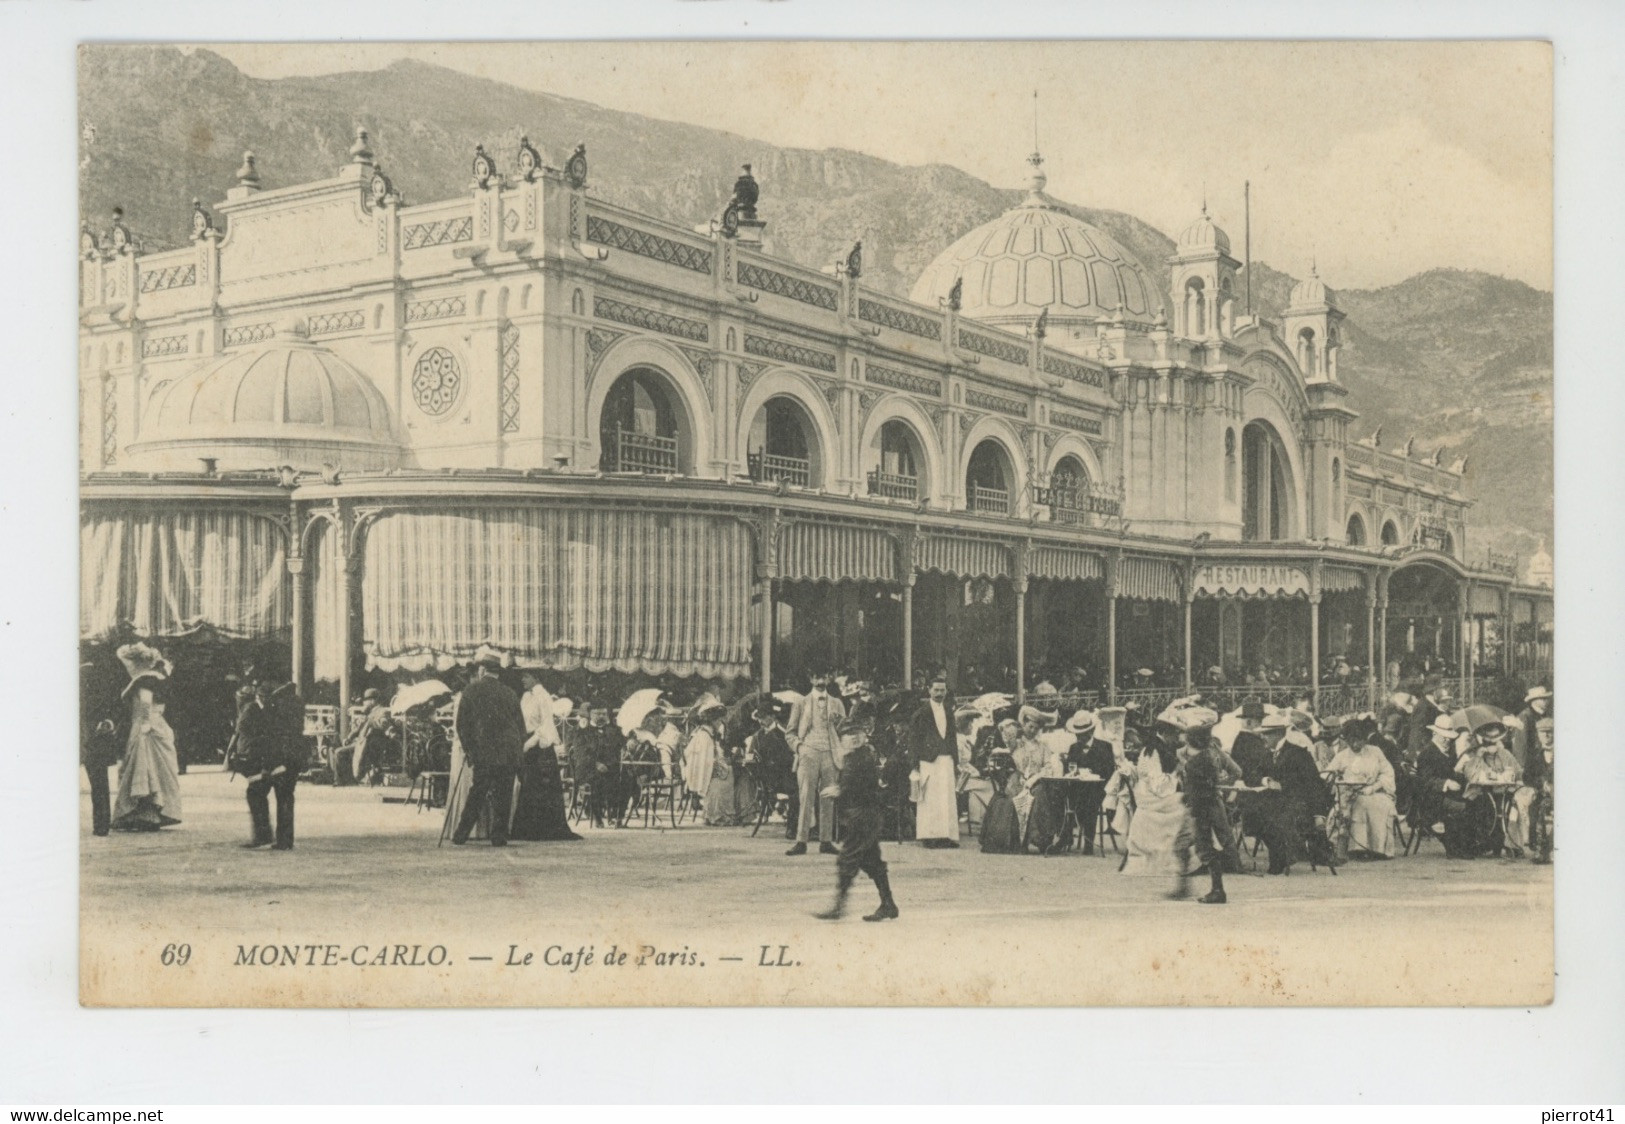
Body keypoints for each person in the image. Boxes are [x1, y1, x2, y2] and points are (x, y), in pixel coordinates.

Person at [814, 717, 899, 922]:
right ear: (841, 739)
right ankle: (888, 904)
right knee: (872, 862)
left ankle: (838, 908)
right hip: (863, 816)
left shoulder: (863, 757)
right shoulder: (855, 756)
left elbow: (861, 786)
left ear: (864, 736)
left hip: (864, 816)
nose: (853, 738)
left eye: (857, 734)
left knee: (848, 858)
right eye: (848, 735)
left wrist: (839, 790)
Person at [1169, 703, 1242, 904]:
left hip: (1199, 807)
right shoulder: (1209, 755)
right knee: (1198, 845)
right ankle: (1208, 888)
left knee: (1201, 847)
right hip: (1205, 805)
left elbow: (1196, 786)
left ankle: (1215, 890)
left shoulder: (1194, 760)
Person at [450, 655, 525, 847]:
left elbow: (462, 726)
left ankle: (461, 834)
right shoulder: (510, 693)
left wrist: (470, 750)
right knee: (503, 794)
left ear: (482, 670)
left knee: (478, 792)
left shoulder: (471, 691)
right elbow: (521, 727)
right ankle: (498, 836)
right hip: (508, 752)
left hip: (484, 752)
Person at [111, 642, 183, 832]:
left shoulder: (144, 680)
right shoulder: (159, 677)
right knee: (153, 769)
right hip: (157, 723)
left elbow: (145, 703)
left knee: (143, 767)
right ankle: (150, 813)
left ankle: (143, 814)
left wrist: (144, 725)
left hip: (146, 726)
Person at [1253, 711, 1333, 874]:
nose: (1263, 738)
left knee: (1271, 816)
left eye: (1265, 735)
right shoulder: (1267, 754)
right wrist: (1266, 781)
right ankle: (1281, 856)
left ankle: (1283, 857)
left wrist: (1319, 814)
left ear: (1277, 734)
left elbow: (1313, 784)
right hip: (1275, 803)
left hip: (1299, 805)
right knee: (1252, 815)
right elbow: (1254, 774)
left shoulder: (1298, 754)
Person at [238, 669, 306, 850]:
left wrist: (266, 764)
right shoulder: (295, 700)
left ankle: (262, 835)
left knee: (255, 792)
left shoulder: (274, 703)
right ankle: (285, 840)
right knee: (285, 796)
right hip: (294, 755)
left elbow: (271, 735)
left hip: (277, 757)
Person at [510, 688, 582, 843]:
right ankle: (526, 827)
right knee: (528, 784)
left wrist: (531, 742)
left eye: (527, 676)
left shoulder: (543, 696)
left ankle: (542, 828)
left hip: (541, 745)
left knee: (540, 783)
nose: (523, 679)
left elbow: (547, 723)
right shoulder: (525, 696)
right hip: (528, 742)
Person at [1326, 716, 1399, 859]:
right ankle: (1355, 848)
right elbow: (1327, 776)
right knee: (1354, 805)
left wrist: (1373, 787)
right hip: (1349, 794)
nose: (1354, 744)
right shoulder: (1342, 756)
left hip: (1376, 792)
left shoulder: (1375, 752)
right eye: (1350, 740)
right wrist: (1337, 779)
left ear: (1364, 739)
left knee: (1370, 804)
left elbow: (1388, 774)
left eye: (1358, 740)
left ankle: (1377, 849)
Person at [787, 671, 844, 856]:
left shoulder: (837, 703)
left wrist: (838, 724)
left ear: (829, 679)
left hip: (830, 752)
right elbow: (790, 732)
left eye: (824, 676)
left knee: (828, 795)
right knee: (806, 796)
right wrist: (799, 747)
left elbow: (845, 730)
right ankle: (801, 841)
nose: (820, 680)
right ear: (811, 679)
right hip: (808, 752)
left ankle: (825, 841)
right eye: (817, 677)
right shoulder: (801, 702)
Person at [1454, 712, 1524, 857]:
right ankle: (1484, 843)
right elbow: (1472, 776)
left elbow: (1517, 771)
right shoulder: (1472, 754)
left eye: (1495, 742)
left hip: (1502, 791)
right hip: (1478, 792)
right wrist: (1479, 756)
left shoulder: (1504, 754)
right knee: (1483, 804)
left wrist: (1512, 779)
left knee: (1512, 805)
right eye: (1488, 742)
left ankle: (1510, 843)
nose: (1492, 745)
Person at [908, 673, 960, 849]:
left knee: (946, 798)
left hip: (947, 759)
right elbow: (914, 741)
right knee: (929, 799)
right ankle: (929, 836)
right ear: (929, 690)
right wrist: (914, 766)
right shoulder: (920, 713)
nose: (939, 693)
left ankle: (946, 835)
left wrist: (956, 760)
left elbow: (952, 737)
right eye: (936, 690)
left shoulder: (949, 711)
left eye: (942, 690)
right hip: (928, 760)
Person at [745, 698, 797, 835]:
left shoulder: (778, 734)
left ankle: (801, 826)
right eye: (760, 718)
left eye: (764, 718)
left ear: (773, 717)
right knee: (797, 789)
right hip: (773, 779)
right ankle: (793, 828)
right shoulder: (762, 736)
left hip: (775, 776)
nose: (761, 721)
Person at [954, 705, 995, 834]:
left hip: (967, 774)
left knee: (986, 783)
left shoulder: (964, 740)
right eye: (970, 723)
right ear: (965, 725)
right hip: (961, 778)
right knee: (989, 786)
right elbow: (958, 763)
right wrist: (973, 773)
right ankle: (985, 818)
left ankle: (978, 818)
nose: (972, 726)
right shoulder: (958, 741)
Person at [1526, 715, 1554, 864]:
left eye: (1550, 732)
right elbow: (1527, 777)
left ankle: (1551, 849)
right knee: (1534, 808)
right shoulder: (1535, 756)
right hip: (1542, 794)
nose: (1547, 735)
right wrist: (1540, 783)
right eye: (1543, 732)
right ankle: (1538, 848)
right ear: (1538, 734)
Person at [1510, 686, 1552, 770]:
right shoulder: (1524, 716)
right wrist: (1521, 768)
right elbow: (1520, 746)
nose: (1546, 701)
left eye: (1546, 698)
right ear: (1534, 700)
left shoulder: (1545, 715)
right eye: (1542, 698)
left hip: (1543, 764)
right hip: (1530, 766)